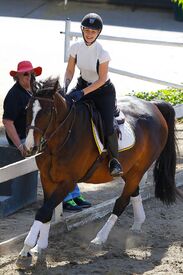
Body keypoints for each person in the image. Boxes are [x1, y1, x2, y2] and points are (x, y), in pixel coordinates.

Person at [64, 12, 122, 177]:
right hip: (82, 85)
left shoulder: (103, 53)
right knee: (65, 107)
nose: (89, 34)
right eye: (87, 30)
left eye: (93, 32)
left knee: (108, 124)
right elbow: (70, 70)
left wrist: (81, 93)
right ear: (82, 30)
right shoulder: (75, 48)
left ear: (98, 33)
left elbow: (102, 79)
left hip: (102, 91)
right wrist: (66, 86)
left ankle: (114, 160)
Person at [2, 60, 42, 156]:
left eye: (31, 74)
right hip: (22, 137)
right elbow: (7, 122)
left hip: (35, 133)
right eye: (25, 74)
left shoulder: (35, 89)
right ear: (17, 76)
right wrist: (20, 146)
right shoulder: (14, 95)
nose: (29, 77)